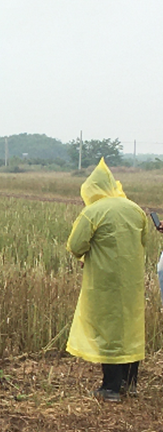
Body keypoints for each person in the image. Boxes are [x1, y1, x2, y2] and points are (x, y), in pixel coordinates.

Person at [66, 157, 147, 402]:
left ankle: (110, 388)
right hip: (132, 282)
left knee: (108, 331)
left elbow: (75, 245)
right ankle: (129, 383)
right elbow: (143, 243)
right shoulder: (135, 209)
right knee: (130, 329)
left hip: (104, 282)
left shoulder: (93, 212)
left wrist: (83, 256)